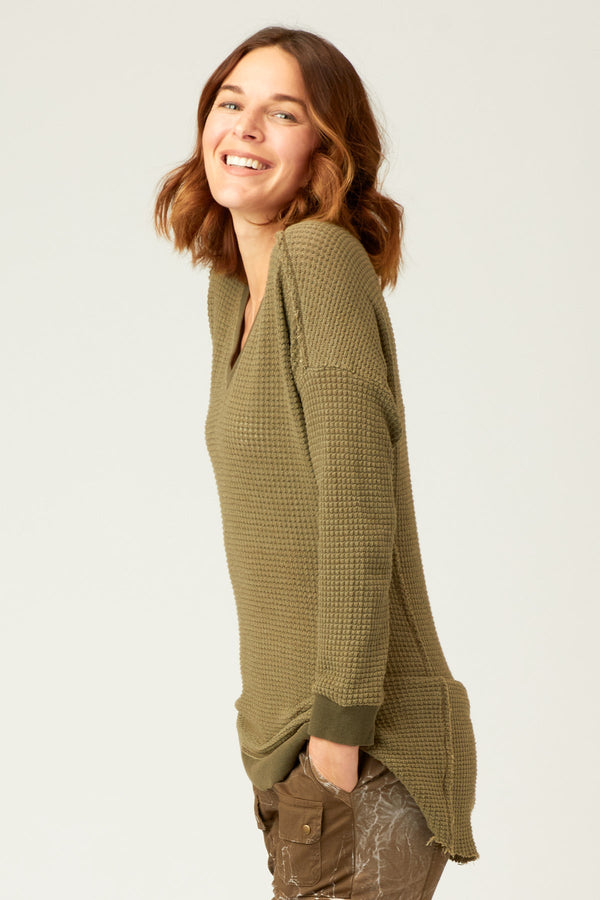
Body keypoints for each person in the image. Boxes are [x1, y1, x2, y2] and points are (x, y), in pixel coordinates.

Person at [154, 25, 478, 900]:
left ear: (327, 150)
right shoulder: (233, 293)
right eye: (230, 103)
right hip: (292, 750)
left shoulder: (318, 259)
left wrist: (336, 737)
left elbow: (356, 508)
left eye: (283, 113)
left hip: (361, 747)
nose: (245, 127)